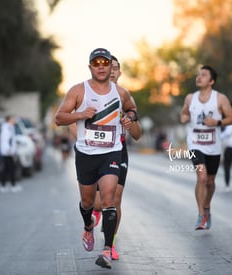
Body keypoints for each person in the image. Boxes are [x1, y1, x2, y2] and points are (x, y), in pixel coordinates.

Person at [54, 48, 137, 269]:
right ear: (90, 67)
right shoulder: (78, 91)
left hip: (111, 152)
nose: (101, 66)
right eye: (96, 63)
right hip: (85, 154)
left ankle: (107, 250)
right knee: (89, 202)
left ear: (111, 67)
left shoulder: (120, 93)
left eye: (105, 63)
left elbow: (132, 109)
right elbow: (59, 118)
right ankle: (88, 226)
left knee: (109, 200)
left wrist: (129, 118)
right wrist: (80, 114)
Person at [91, 55, 142, 260]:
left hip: (118, 150)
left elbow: (138, 135)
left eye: (115, 68)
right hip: (94, 152)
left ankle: (109, 243)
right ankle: (95, 212)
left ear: (119, 73)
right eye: (107, 67)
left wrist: (131, 124)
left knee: (115, 198)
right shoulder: (91, 93)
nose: (111, 71)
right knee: (97, 203)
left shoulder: (124, 97)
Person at [180, 65, 232, 230]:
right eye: (198, 75)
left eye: (203, 75)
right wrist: (184, 118)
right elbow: (184, 113)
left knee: (210, 181)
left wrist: (217, 122)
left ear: (211, 81)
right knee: (202, 177)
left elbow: (231, 118)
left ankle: (207, 208)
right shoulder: (190, 98)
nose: (199, 77)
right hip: (195, 143)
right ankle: (200, 215)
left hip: (213, 145)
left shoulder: (220, 99)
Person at [0, 115, 21, 193]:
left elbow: (12, 140)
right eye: (12, 119)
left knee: (7, 169)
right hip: (8, 153)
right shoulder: (7, 128)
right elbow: (6, 140)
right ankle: (12, 186)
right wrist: (9, 151)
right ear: (9, 120)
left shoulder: (10, 127)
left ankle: (4, 186)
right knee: (10, 169)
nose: (14, 120)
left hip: (8, 152)